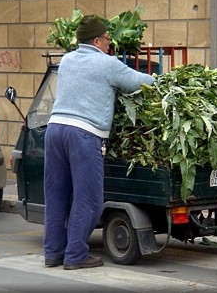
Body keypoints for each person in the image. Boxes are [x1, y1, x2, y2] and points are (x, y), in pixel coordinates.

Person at [43, 15, 155, 270]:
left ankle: (53, 254)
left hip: (55, 130)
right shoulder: (107, 64)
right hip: (84, 134)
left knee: (56, 197)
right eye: (106, 40)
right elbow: (139, 82)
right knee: (89, 200)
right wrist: (162, 81)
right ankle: (76, 256)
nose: (109, 45)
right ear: (96, 40)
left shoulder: (67, 60)